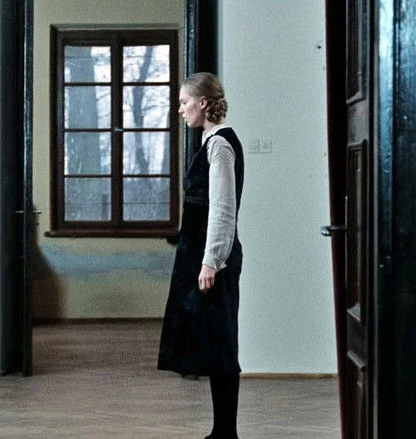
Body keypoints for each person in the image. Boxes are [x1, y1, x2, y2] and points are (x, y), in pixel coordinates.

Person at [158, 72, 244, 439]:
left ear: (203, 103)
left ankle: (226, 433)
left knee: (221, 345)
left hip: (212, 260)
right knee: (213, 343)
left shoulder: (220, 145)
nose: (180, 109)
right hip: (201, 257)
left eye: (184, 102)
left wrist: (212, 261)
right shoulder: (210, 142)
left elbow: (223, 209)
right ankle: (221, 431)